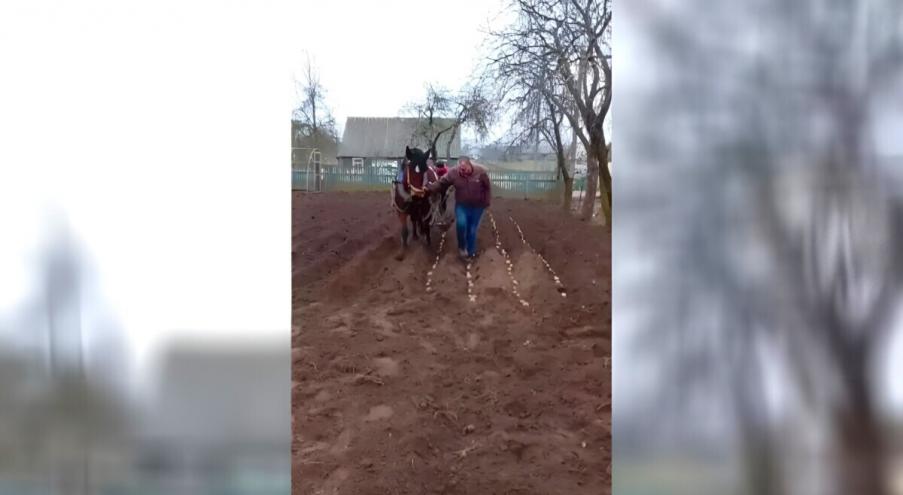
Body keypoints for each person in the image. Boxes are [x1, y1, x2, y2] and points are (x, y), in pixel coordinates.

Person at [426, 156, 491, 260]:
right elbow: (442, 182)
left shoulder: (480, 172)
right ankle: (462, 247)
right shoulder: (453, 173)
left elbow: (487, 187)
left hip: (478, 206)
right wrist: (430, 187)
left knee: (472, 229)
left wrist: (486, 201)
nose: (462, 171)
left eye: (464, 169)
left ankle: (470, 252)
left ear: (470, 165)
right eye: (460, 169)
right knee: (461, 224)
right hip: (462, 205)